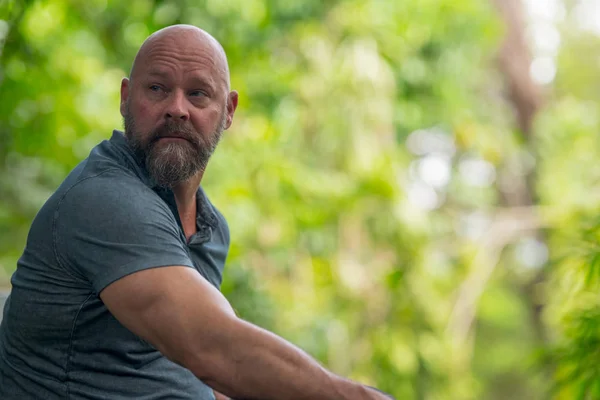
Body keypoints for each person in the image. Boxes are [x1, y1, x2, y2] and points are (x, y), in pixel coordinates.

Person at [0, 24, 393, 399]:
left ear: (229, 110)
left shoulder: (208, 226)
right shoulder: (104, 199)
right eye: (156, 88)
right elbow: (211, 348)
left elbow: (200, 375)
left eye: (198, 94)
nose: (176, 109)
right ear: (124, 98)